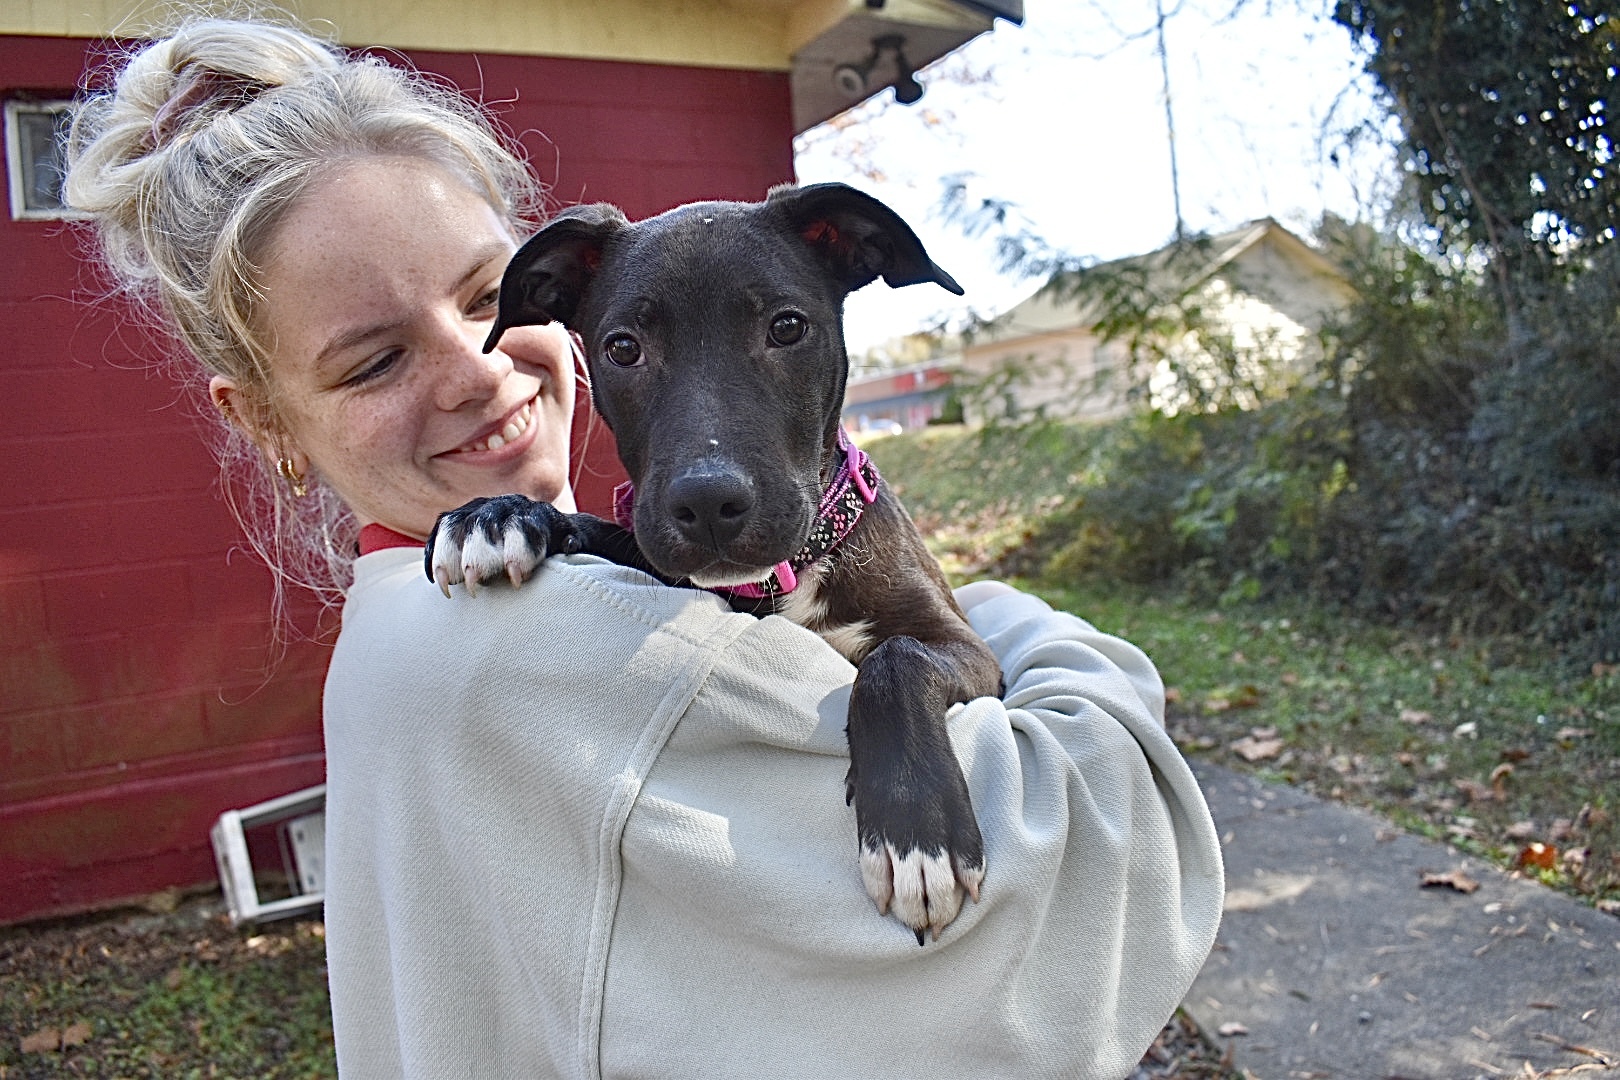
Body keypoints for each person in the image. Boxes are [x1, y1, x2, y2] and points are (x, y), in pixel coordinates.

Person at [66, 14, 1224, 1079]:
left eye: (485, 300)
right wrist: (1033, 630)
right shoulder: (567, 659)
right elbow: (1083, 905)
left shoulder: (415, 622)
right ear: (267, 424)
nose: (479, 372)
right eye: (374, 361)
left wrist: (917, 639)